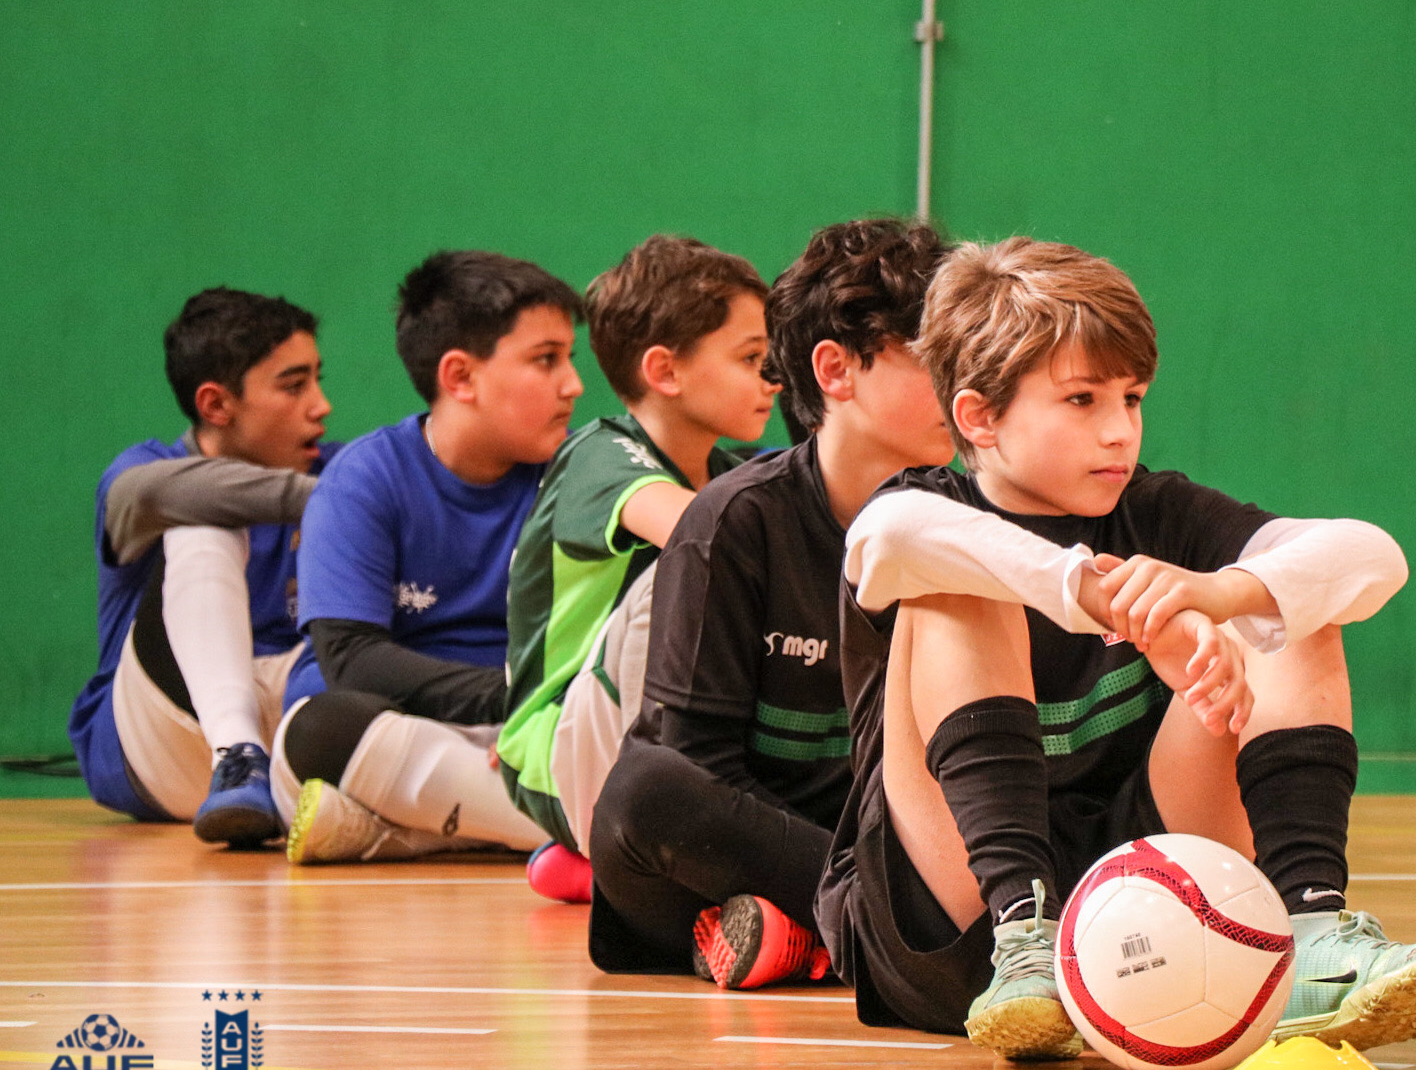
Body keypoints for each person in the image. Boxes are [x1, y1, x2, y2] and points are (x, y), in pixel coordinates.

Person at [817, 237, 1416, 1059]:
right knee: (958, 582)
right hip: (955, 920)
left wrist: (1218, 593)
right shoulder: (920, 505)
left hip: (1135, 902)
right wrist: (1102, 598)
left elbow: (1369, 555)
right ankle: (1025, 935)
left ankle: (1309, 929)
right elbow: (887, 536)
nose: (1117, 432)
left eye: (1131, 399)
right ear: (978, 417)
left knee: (1289, 600)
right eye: (1081, 400)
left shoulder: (1155, 510)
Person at [586, 218, 956, 989]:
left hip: (903, 847)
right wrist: (842, 873)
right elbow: (697, 764)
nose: (964, 385)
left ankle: (804, 936)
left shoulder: (977, 519)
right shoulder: (731, 522)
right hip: (743, 850)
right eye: (935, 360)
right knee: (646, 790)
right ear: (835, 369)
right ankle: (866, 925)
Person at [270, 250, 579, 863]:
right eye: (546, 360)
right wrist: (517, 700)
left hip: (532, 732)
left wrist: (544, 715)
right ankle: (587, 839)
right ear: (460, 377)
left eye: (570, 359)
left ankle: (408, 830)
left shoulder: (578, 476)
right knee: (320, 729)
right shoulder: (363, 479)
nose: (573, 384)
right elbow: (353, 662)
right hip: (395, 731)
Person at [497, 235, 778, 904]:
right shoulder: (597, 457)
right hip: (557, 753)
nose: (772, 378)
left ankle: (612, 862)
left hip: (637, 759)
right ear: (665, 371)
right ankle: (631, 848)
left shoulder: (735, 473)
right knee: (688, 573)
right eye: (750, 358)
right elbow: (698, 535)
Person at [68, 287, 336, 846]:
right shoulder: (145, 475)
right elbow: (153, 496)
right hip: (165, 736)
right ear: (216, 404)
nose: (321, 404)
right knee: (201, 521)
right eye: (293, 385)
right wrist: (351, 503)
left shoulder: (340, 469)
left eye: (317, 378)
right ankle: (237, 753)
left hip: (297, 718)